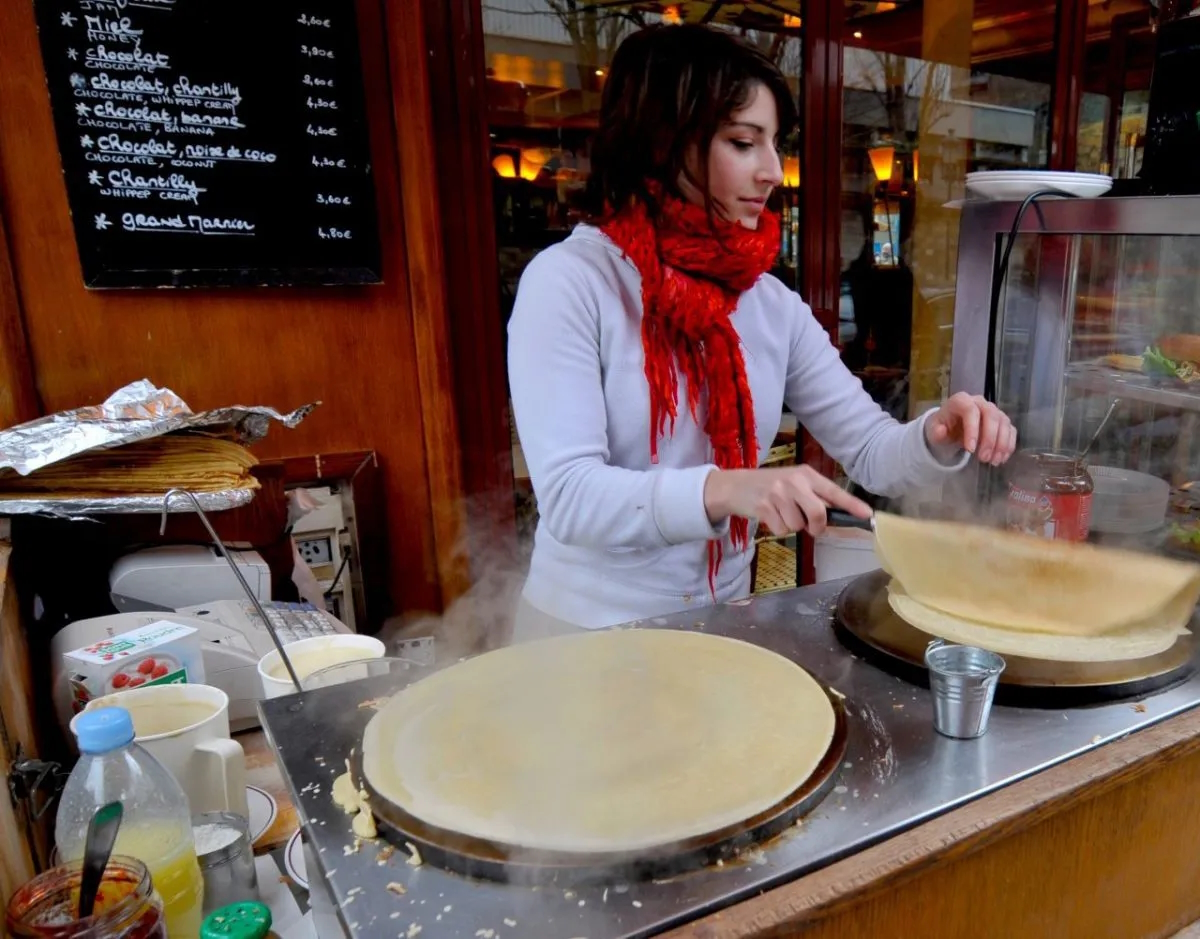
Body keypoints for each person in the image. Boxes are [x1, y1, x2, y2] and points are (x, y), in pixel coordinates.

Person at [506, 24, 1016, 639]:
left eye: (776, 144)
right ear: (663, 142)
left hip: (718, 621)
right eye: (744, 142)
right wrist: (728, 488)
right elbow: (570, 496)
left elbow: (873, 452)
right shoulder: (571, 281)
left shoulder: (767, 302)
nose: (774, 171)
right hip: (580, 633)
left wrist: (939, 432)